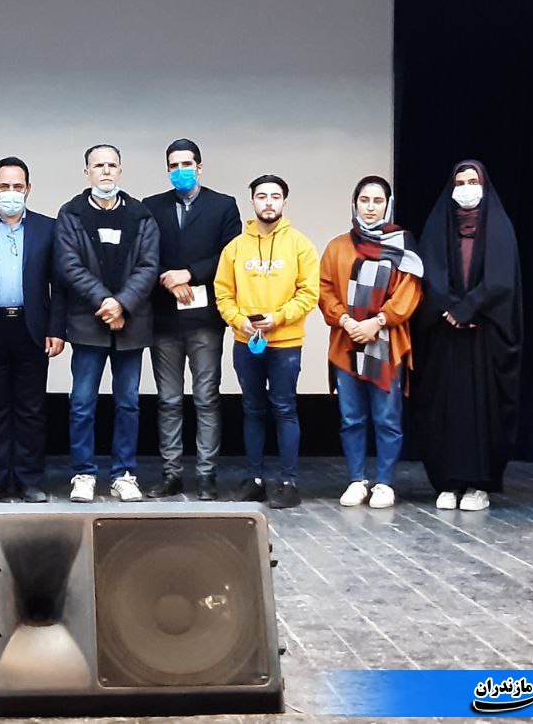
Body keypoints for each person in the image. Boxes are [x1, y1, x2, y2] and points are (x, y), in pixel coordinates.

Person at [412, 160, 522, 512]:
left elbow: (501, 280)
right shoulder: (438, 226)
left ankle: (478, 485)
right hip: (444, 337)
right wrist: (449, 308)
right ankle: (447, 482)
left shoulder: (499, 227)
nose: (465, 188)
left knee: (483, 411)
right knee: (444, 407)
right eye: (459, 182)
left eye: (472, 181)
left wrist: (468, 310)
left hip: (484, 336)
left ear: (484, 186)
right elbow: (429, 272)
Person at [55, 144, 160, 503]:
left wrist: (122, 304)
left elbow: (149, 266)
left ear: (120, 171)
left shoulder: (141, 215)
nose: (105, 171)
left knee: (128, 403)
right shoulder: (71, 213)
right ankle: (83, 474)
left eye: (112, 165)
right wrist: (105, 302)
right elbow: (69, 265)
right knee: (82, 403)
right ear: (86, 172)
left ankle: (123, 474)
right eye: (98, 165)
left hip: (131, 325)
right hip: (88, 323)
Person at [0, 156, 65, 504]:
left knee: (31, 410)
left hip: (32, 328)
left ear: (28, 189)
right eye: (4, 186)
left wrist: (56, 328)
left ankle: (29, 480)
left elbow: (59, 285)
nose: (11, 192)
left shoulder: (48, 228)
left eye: (18, 186)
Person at [142, 138, 242, 501]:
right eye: (174, 165)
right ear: (167, 170)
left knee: (206, 398)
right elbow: (144, 254)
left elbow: (230, 254)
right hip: (164, 317)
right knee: (168, 400)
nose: (180, 170)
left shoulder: (223, 205)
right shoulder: (151, 206)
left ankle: (205, 476)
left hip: (205, 319)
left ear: (200, 166)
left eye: (187, 164)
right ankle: (171, 474)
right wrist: (168, 279)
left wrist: (190, 273)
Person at [214, 175, 319, 509]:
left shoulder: (300, 244)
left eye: (275, 196)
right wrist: (239, 320)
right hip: (246, 341)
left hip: (285, 342)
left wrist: (279, 317)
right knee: (252, 408)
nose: (269, 202)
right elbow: (223, 293)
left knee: (285, 408)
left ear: (285, 201)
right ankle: (254, 479)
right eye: (262, 196)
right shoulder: (235, 248)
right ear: (252, 201)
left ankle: (288, 482)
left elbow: (309, 293)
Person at [319, 176, 423, 509]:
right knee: (351, 418)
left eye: (378, 201)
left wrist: (377, 322)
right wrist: (347, 321)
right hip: (346, 341)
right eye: (364, 200)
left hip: (386, 344)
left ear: (388, 205)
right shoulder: (337, 246)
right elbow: (325, 290)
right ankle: (356, 480)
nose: (370, 207)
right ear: (354, 204)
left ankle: (385, 483)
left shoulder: (403, 245)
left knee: (387, 418)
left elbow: (410, 292)